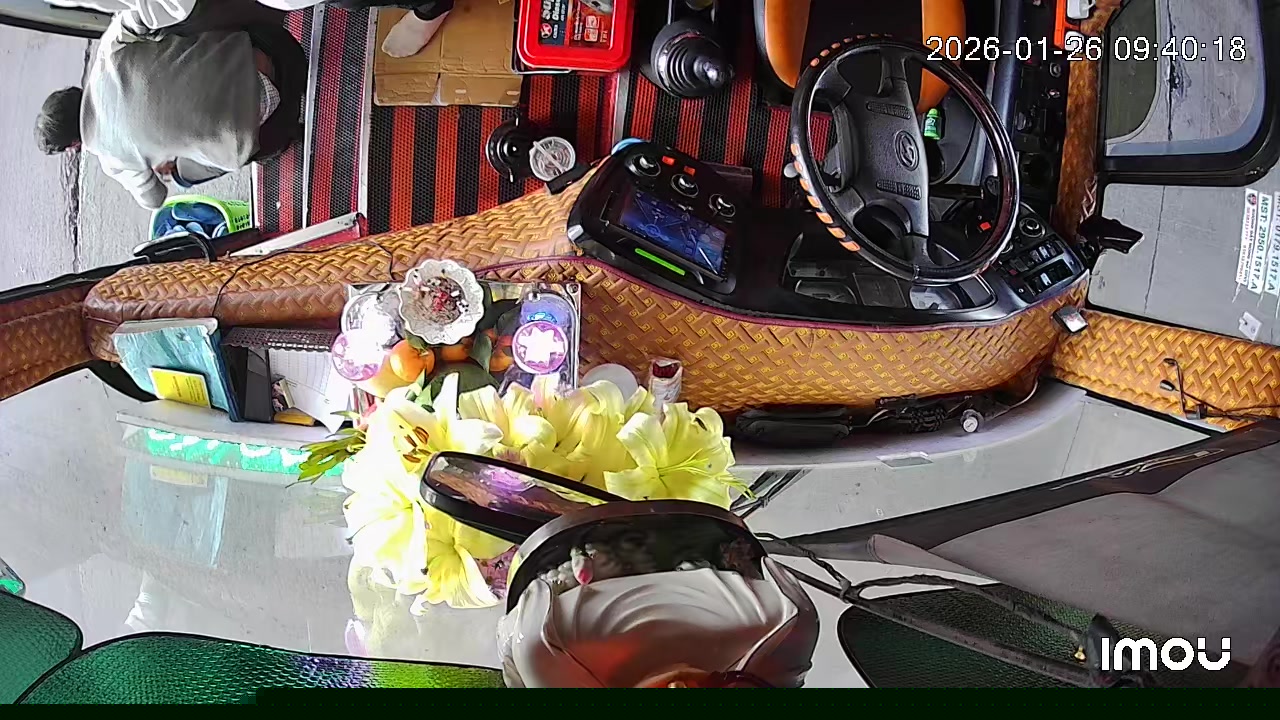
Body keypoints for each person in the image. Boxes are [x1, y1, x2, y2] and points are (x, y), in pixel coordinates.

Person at [35, 3, 305, 209]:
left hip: (274, 126)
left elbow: (154, 199)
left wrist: (155, 162)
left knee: (182, 172)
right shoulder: (108, 50)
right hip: (280, 53)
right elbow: (143, 12)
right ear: (74, 92)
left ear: (73, 145)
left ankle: (287, 133)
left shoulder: (114, 162)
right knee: (170, 31)